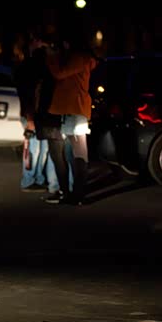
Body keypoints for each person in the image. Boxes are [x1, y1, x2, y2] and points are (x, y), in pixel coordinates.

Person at [44, 29, 98, 205]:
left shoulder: (79, 57)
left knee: (78, 154)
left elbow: (60, 73)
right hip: (72, 110)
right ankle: (75, 194)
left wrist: (51, 56)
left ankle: (78, 195)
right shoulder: (79, 57)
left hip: (75, 110)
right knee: (73, 154)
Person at [14, 34, 59, 193]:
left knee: (42, 149)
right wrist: (29, 117)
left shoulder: (38, 66)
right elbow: (26, 93)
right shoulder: (29, 66)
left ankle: (38, 178)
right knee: (34, 148)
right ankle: (28, 180)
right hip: (31, 113)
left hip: (38, 113)